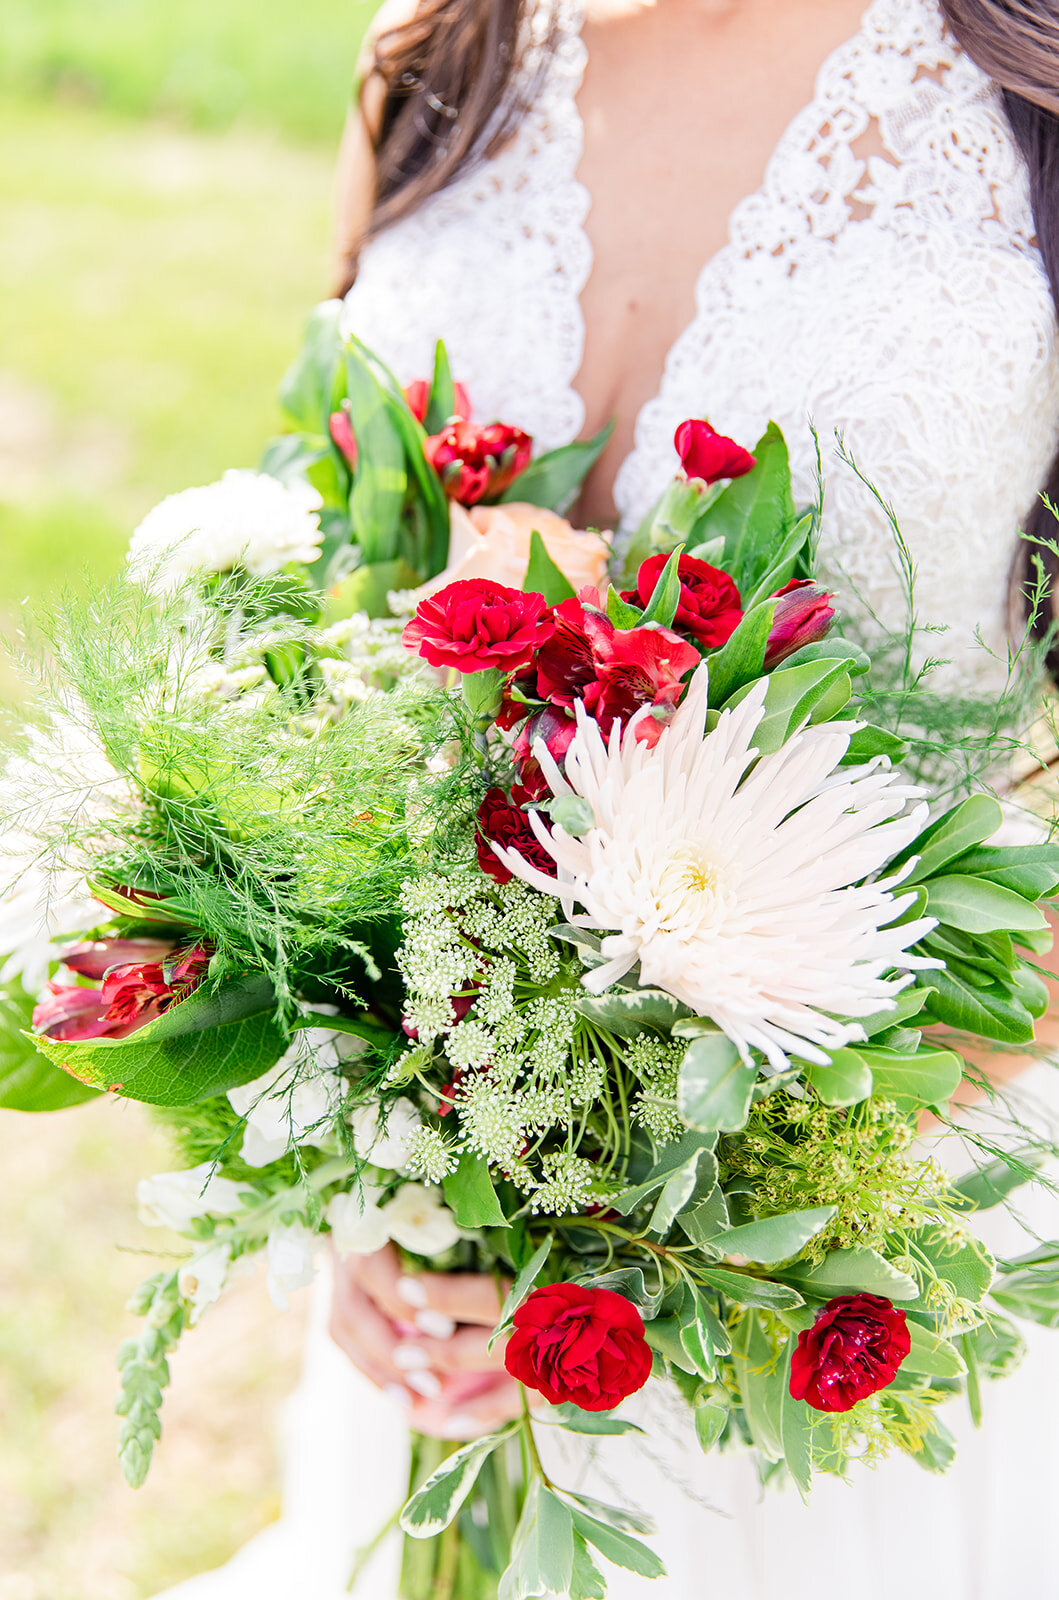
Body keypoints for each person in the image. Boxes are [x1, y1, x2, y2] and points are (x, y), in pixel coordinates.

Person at [157, 0, 1059, 1595]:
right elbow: (334, 602)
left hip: (864, 1233)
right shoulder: (445, 51)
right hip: (447, 1238)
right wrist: (355, 1170)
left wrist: (692, 1217)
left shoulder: (1024, 92)